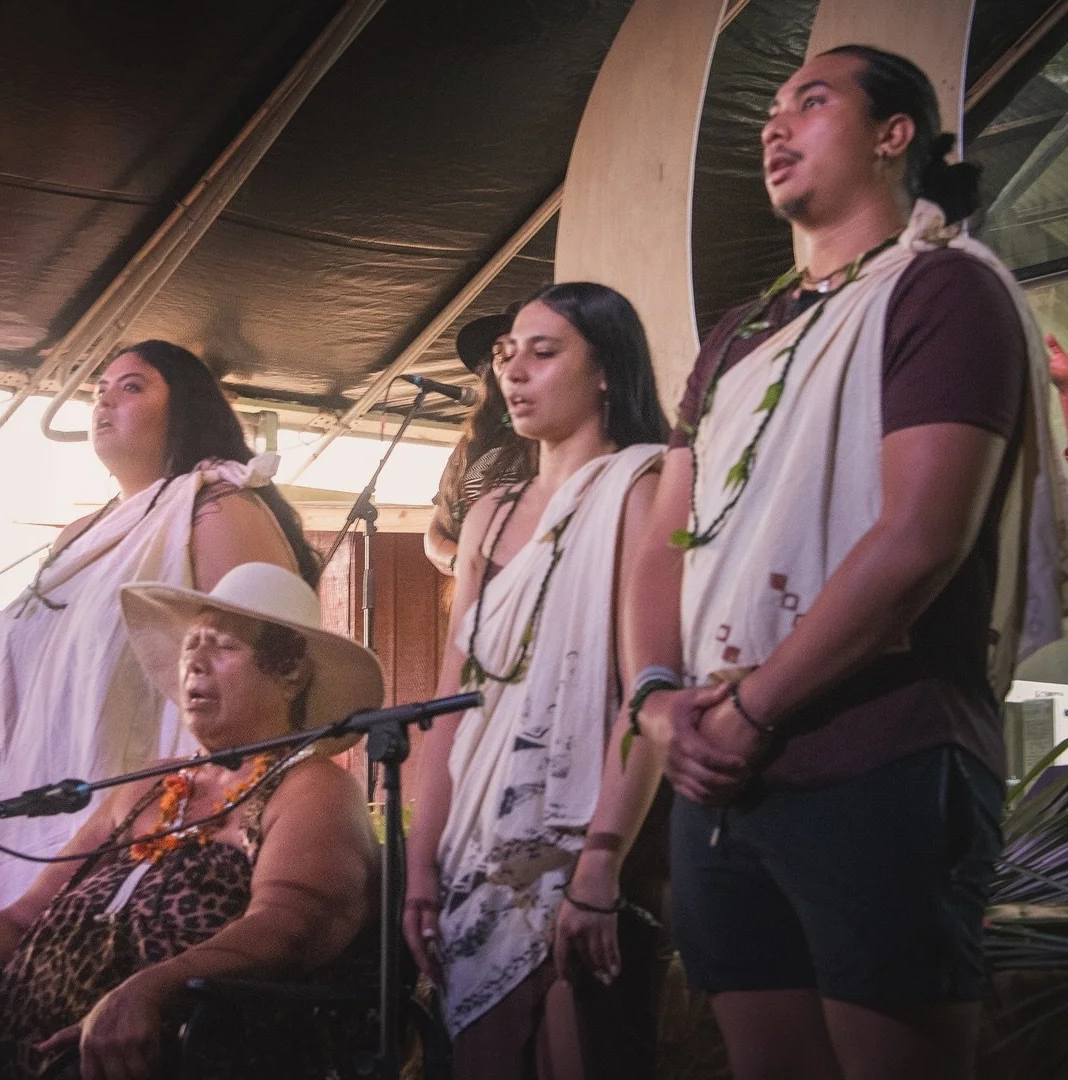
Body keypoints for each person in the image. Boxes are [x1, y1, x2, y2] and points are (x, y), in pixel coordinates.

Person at [626, 46, 1068, 1080]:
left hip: (881, 746)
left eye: (811, 102)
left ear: (892, 133)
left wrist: (751, 708)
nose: (774, 126)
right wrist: (655, 697)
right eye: (771, 110)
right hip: (720, 771)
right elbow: (661, 545)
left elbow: (921, 537)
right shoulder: (740, 336)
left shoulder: (942, 290)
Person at [0, 562, 385, 1080]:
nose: (196, 664)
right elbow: (23, 918)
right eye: (191, 645)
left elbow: (291, 924)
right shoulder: (147, 785)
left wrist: (151, 990)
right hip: (12, 1028)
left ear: (290, 673)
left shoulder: (311, 786)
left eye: (224, 647)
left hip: (161, 1046)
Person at [404, 282, 671, 1079]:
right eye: (505, 354)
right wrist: (421, 862)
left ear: (605, 370)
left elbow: (643, 692)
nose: (513, 372)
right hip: (477, 841)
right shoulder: (487, 514)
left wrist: (601, 860)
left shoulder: (641, 485)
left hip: (587, 832)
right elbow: (454, 699)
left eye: (543, 353)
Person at [0, 339, 320, 915]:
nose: (105, 401)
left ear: (185, 408)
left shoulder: (215, 506)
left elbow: (258, 675)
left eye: (132, 387)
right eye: (99, 390)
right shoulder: (76, 536)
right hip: (40, 805)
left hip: (152, 821)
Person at [424, 306, 535, 576]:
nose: (505, 358)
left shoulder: (558, 436)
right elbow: (435, 534)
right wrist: (461, 563)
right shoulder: (470, 444)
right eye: (498, 352)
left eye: (516, 348)